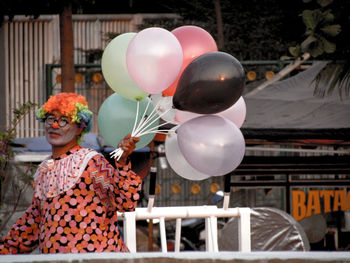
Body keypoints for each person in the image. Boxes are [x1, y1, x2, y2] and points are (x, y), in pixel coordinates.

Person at [0, 92, 141, 254]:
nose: (54, 126)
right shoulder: (45, 169)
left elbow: (126, 202)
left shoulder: (91, 161)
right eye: (51, 119)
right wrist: (5, 250)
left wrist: (122, 163)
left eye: (64, 121)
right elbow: (34, 222)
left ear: (79, 127)